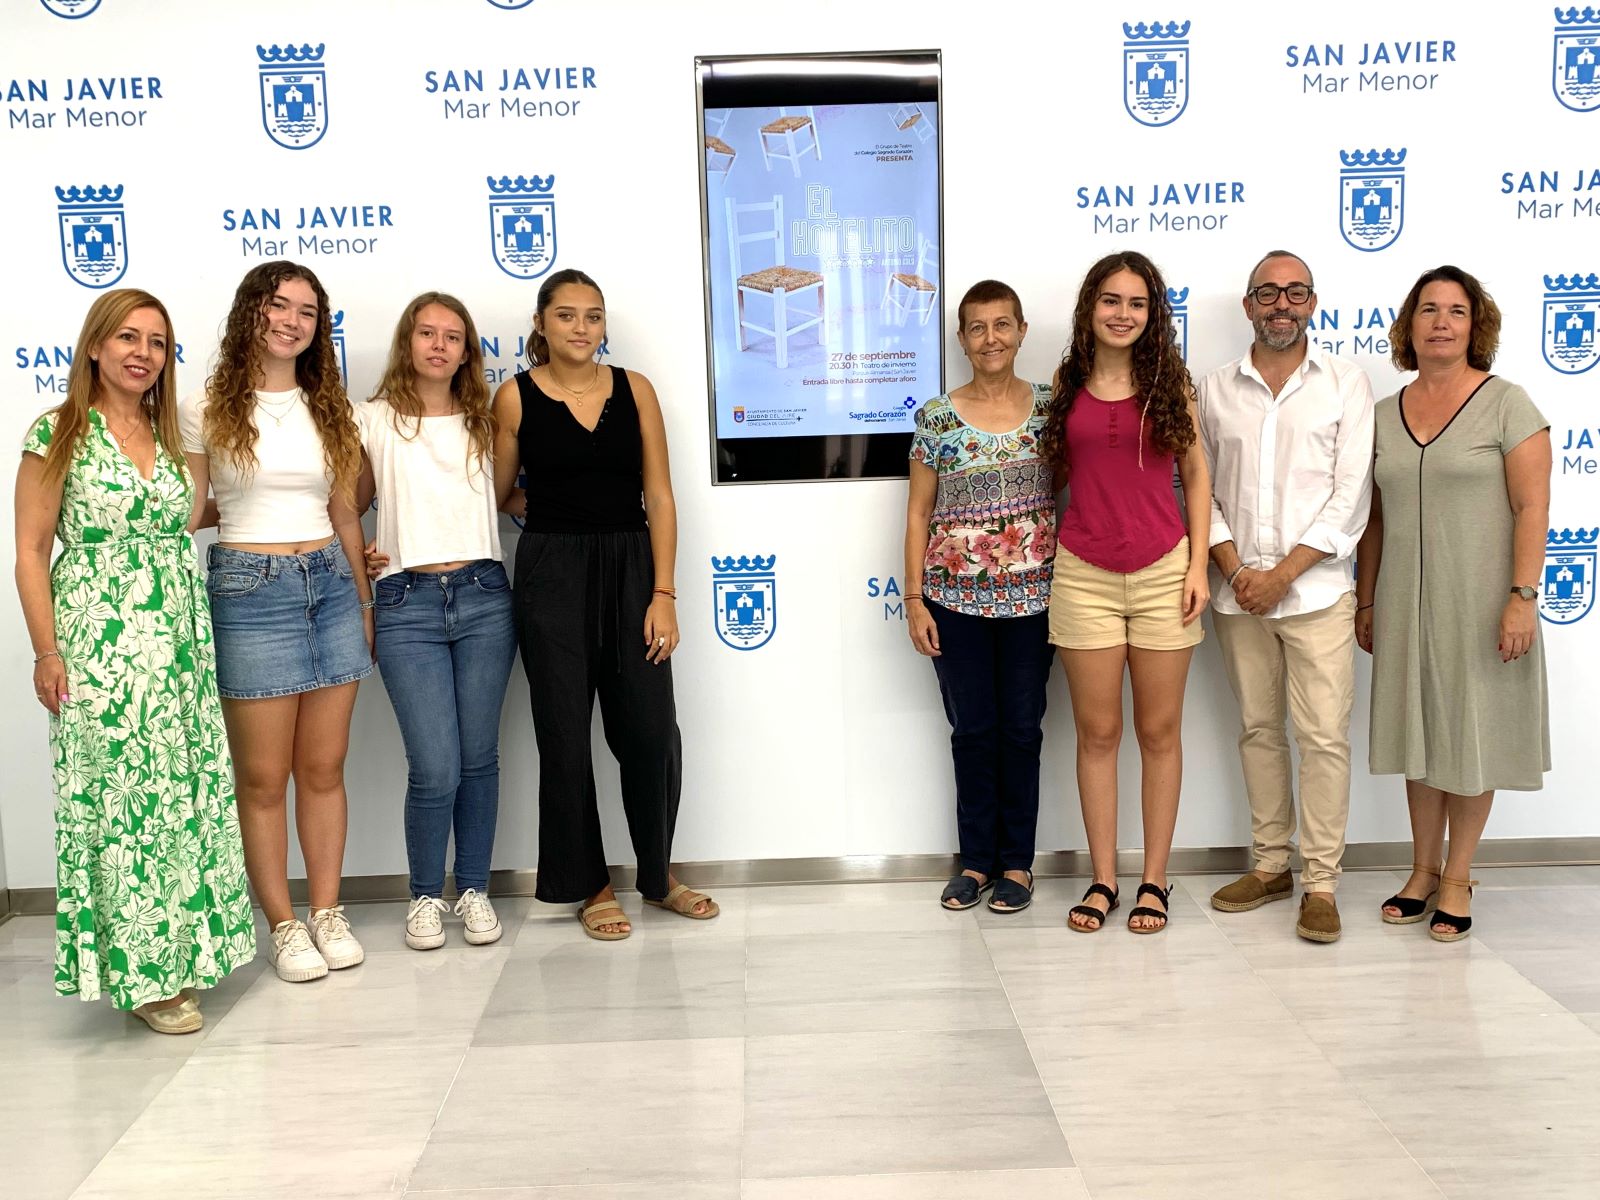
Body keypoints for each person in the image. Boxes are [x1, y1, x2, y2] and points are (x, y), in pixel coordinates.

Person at [14, 289, 255, 1033]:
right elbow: (28, 550)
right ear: (94, 347)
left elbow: (205, 515)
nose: (142, 352)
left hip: (179, 644)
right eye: (127, 337)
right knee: (120, 809)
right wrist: (46, 651)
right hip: (99, 649)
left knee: (180, 798)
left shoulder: (172, 433)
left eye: (156, 341)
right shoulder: (56, 433)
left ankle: (188, 955)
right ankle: (144, 977)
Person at [491, 268, 716, 940]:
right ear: (541, 324)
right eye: (565, 315)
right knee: (563, 737)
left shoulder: (634, 389)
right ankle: (589, 884)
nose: (580, 327)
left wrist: (664, 594)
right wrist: (551, 516)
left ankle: (657, 874)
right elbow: (500, 491)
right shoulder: (514, 397)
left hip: (633, 567)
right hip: (551, 574)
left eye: (592, 315)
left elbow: (662, 497)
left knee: (651, 733)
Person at [180, 261, 373, 981]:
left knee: (323, 769)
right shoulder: (205, 407)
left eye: (308, 312)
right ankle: (284, 925)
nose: (293, 321)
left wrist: (362, 596)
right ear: (250, 314)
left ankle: (327, 910)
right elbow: (192, 509)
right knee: (262, 778)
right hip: (248, 588)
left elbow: (345, 509)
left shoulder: (331, 405)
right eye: (279, 306)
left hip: (327, 583)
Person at [1357, 265, 1551, 942]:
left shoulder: (1509, 404)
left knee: (1470, 736)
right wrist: (1366, 598)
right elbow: (1375, 518)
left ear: (1477, 325)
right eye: (1429, 309)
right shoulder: (1382, 415)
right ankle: (1421, 869)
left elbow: (1533, 508)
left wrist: (1522, 599)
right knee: (1420, 734)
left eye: (1457, 311)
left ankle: (1459, 876)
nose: (1442, 321)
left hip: (1482, 602)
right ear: (1409, 325)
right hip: (1404, 603)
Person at [1197, 251, 1375, 944]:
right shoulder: (1213, 389)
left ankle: (1321, 883)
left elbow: (1349, 494)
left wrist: (1283, 573)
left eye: (1294, 292)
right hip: (1238, 592)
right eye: (1267, 292)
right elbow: (1200, 488)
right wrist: (1239, 568)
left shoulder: (1345, 384)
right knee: (1259, 731)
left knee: (1325, 738)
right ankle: (1271, 866)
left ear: (1312, 302)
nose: (1281, 303)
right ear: (1247, 306)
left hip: (1319, 595)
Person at [1040, 251, 1211, 934]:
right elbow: (1051, 473)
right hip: (1083, 574)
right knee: (1098, 732)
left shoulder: (1173, 382)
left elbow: (1197, 475)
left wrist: (1198, 565)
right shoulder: (1067, 379)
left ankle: (1154, 882)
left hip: (1165, 570)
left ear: (1154, 313)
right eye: (1111, 300)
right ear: (1090, 308)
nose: (1123, 314)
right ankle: (1104, 879)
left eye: (1137, 303)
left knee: (1158, 731)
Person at [357, 293, 516, 950]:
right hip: (405, 603)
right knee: (435, 765)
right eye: (427, 332)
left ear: (467, 352)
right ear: (407, 341)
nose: (439, 345)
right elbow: (347, 503)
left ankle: (473, 889)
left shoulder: (487, 422)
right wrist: (354, 556)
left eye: (453, 336)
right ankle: (425, 896)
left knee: (479, 759)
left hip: (483, 595)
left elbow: (506, 499)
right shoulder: (371, 419)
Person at [904, 280, 1055, 914]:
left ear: (1021, 331)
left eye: (1002, 325)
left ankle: (1016, 865)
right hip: (954, 601)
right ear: (962, 338)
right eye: (976, 327)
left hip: (1035, 598)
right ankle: (973, 862)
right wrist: (914, 598)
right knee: (973, 731)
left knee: (1021, 730)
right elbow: (918, 513)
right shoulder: (936, 417)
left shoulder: (1053, 406)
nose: (990, 338)